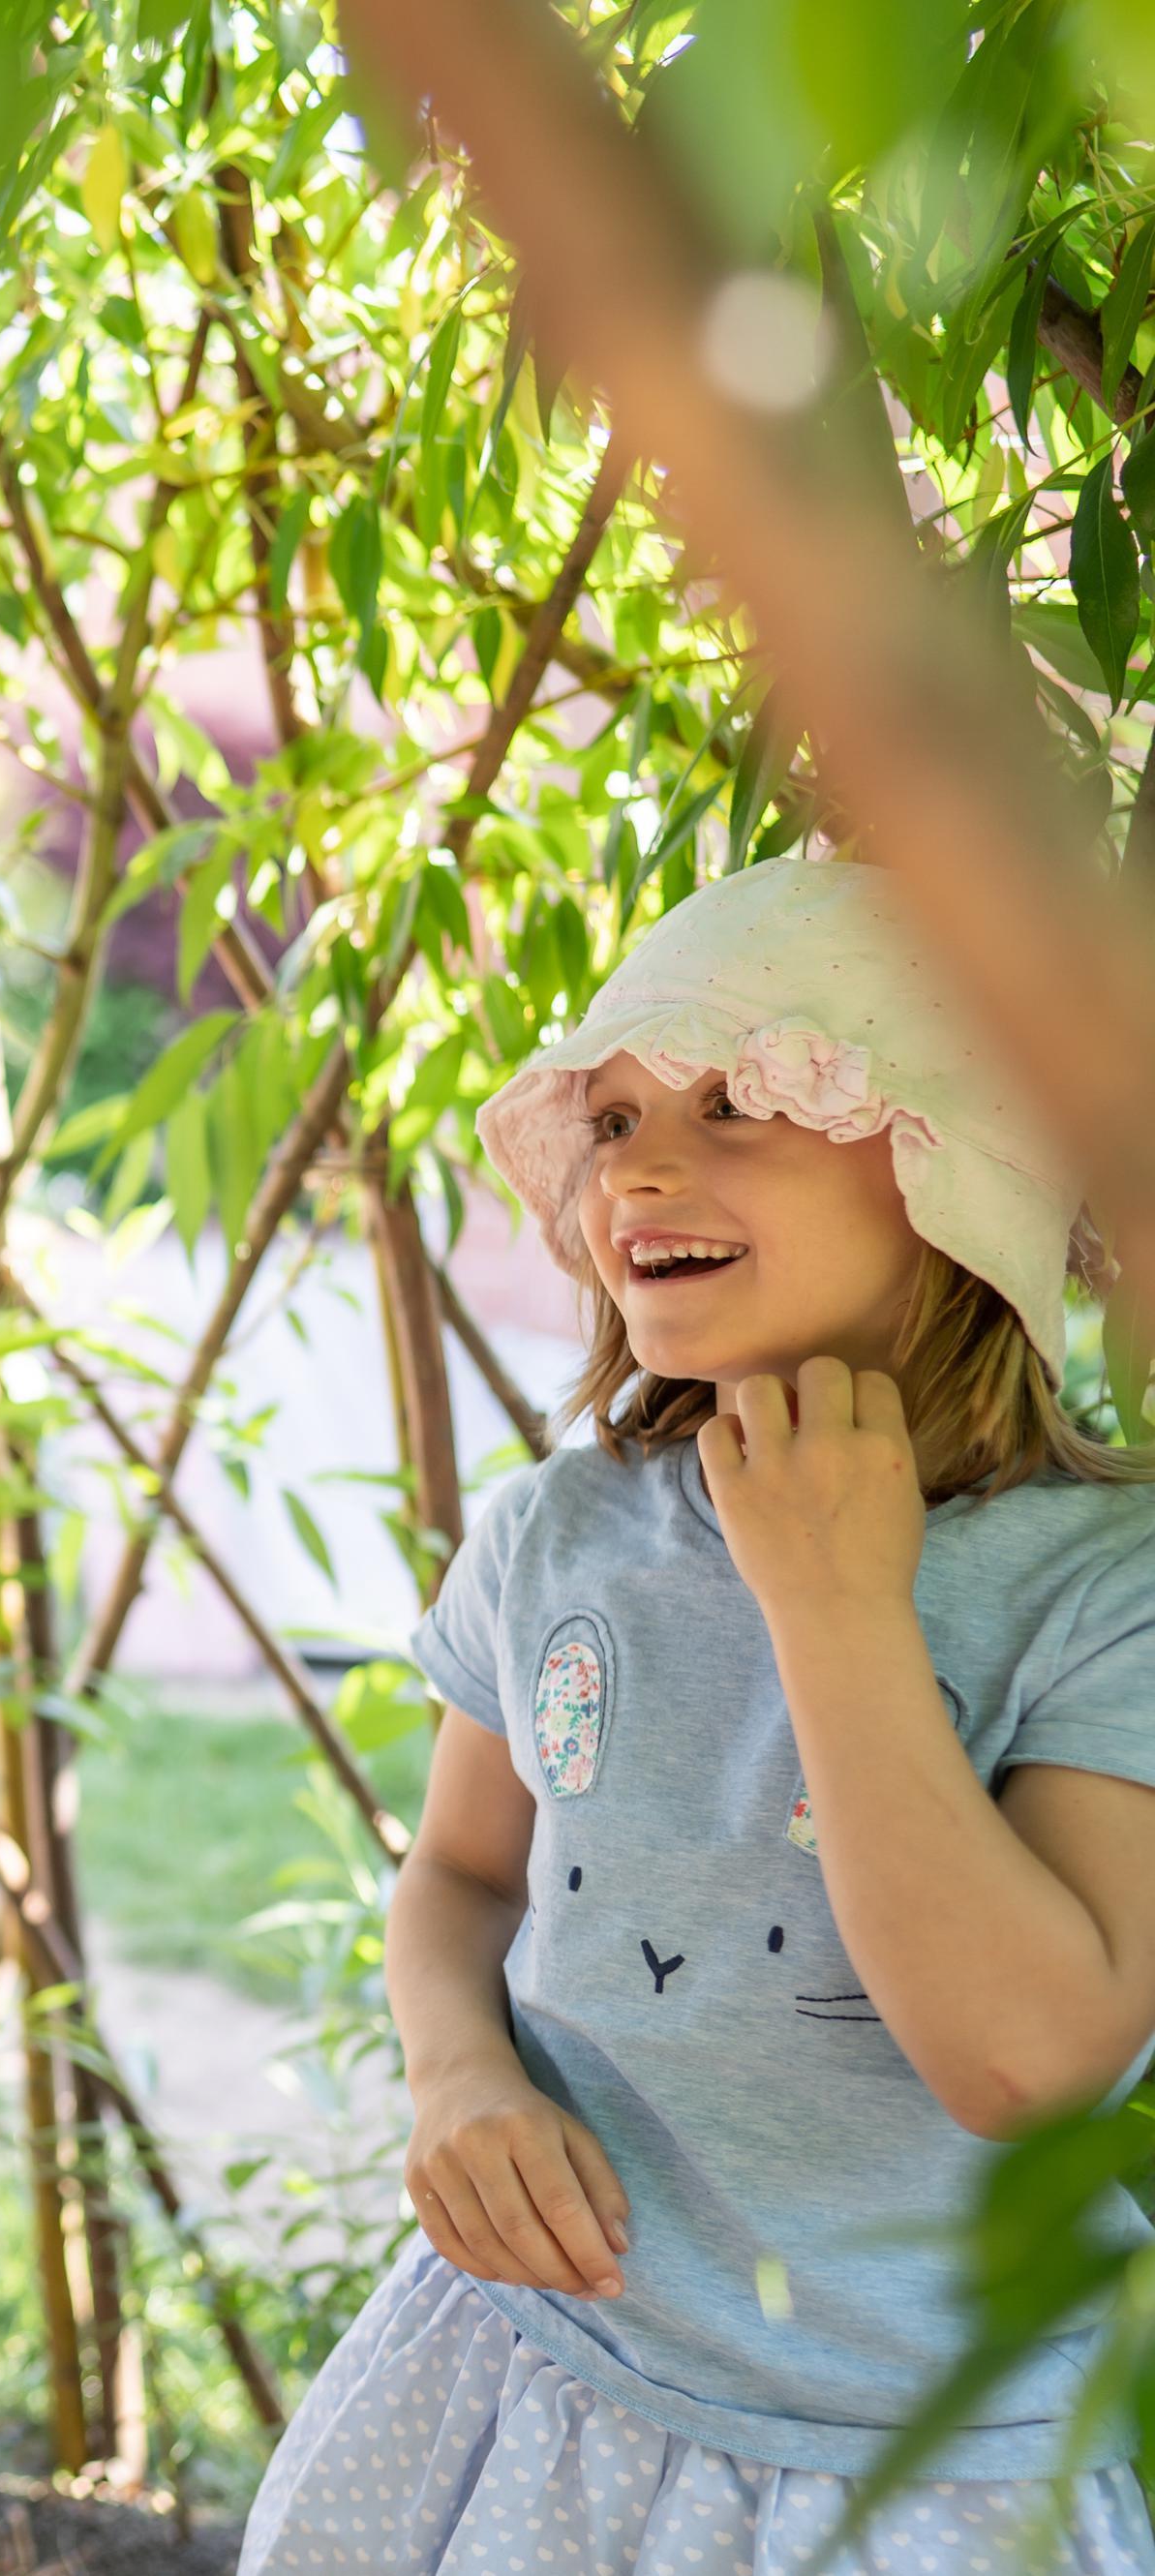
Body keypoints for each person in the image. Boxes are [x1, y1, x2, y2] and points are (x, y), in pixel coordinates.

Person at [243, 859, 1155, 2571]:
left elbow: (1030, 2061)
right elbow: (457, 1876)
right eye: (608, 1121)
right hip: (526, 2380)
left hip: (916, 2485)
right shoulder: (552, 1532)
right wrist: (454, 2077)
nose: (638, 1168)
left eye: (737, 1102)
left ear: (956, 1164)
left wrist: (833, 1606)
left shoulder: (1109, 1588)